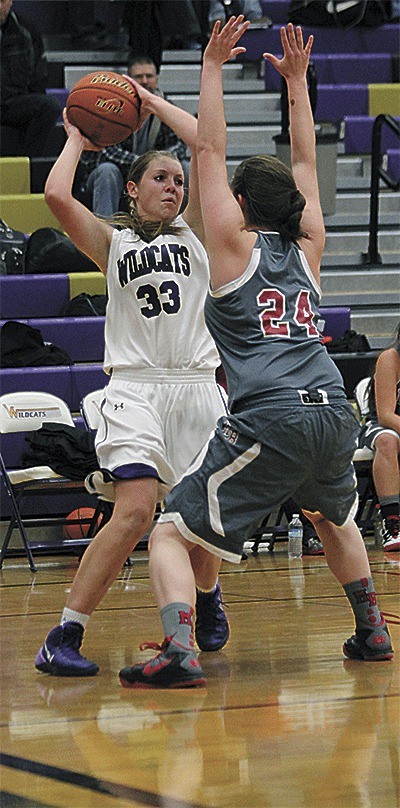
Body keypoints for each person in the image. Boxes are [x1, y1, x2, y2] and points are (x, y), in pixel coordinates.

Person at [118, 18, 394, 690]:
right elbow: (305, 164)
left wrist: (211, 67)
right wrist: (298, 84)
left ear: (240, 203)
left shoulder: (230, 245)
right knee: (335, 516)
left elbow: (209, 148)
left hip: (272, 413)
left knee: (169, 533)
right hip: (334, 410)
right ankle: (372, 629)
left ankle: (178, 649)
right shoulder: (309, 245)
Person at [34, 80, 230, 678]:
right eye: (160, 178)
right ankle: (65, 633)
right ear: (132, 188)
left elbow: (207, 145)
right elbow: (56, 195)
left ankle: (207, 595)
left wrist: (151, 103)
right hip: (134, 388)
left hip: (198, 388)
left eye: (179, 180)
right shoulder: (112, 241)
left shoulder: (199, 231)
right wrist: (77, 136)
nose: (173, 187)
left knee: (196, 523)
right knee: (135, 511)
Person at [77, 54, 191, 218]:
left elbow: (180, 143)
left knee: (185, 167)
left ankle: (182, 227)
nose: (144, 81)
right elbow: (106, 150)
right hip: (120, 174)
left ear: (157, 79)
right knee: (107, 170)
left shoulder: (166, 106)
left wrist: (160, 164)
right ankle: (105, 231)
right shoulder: (113, 105)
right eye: (139, 77)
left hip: (156, 175)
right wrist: (145, 165)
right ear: (129, 81)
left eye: (149, 76)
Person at [358, 322, 400, 552]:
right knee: (387, 440)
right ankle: (393, 522)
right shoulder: (390, 358)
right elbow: (385, 415)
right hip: (382, 425)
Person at [0, 0, 61, 157]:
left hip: (13, 102)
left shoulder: (26, 30)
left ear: (10, 1)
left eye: (2, 1)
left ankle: (29, 163)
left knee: (49, 106)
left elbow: (38, 76)